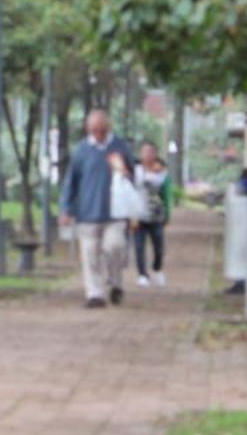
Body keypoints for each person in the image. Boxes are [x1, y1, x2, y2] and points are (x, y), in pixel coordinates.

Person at [59, 109, 134, 309]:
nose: (98, 134)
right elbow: (71, 181)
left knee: (115, 247)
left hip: (115, 213)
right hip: (87, 213)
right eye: (94, 130)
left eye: (102, 130)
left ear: (108, 127)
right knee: (90, 254)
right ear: (88, 129)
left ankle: (116, 283)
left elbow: (134, 175)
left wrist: (126, 173)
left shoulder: (120, 147)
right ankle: (95, 294)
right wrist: (66, 208)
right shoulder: (82, 150)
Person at [132, 142, 178, 288]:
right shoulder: (135, 170)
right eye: (145, 151)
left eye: (151, 152)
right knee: (139, 246)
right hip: (138, 214)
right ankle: (142, 274)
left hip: (156, 215)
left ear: (155, 154)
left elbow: (166, 193)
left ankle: (157, 268)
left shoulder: (162, 172)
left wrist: (168, 214)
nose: (148, 155)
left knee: (159, 246)